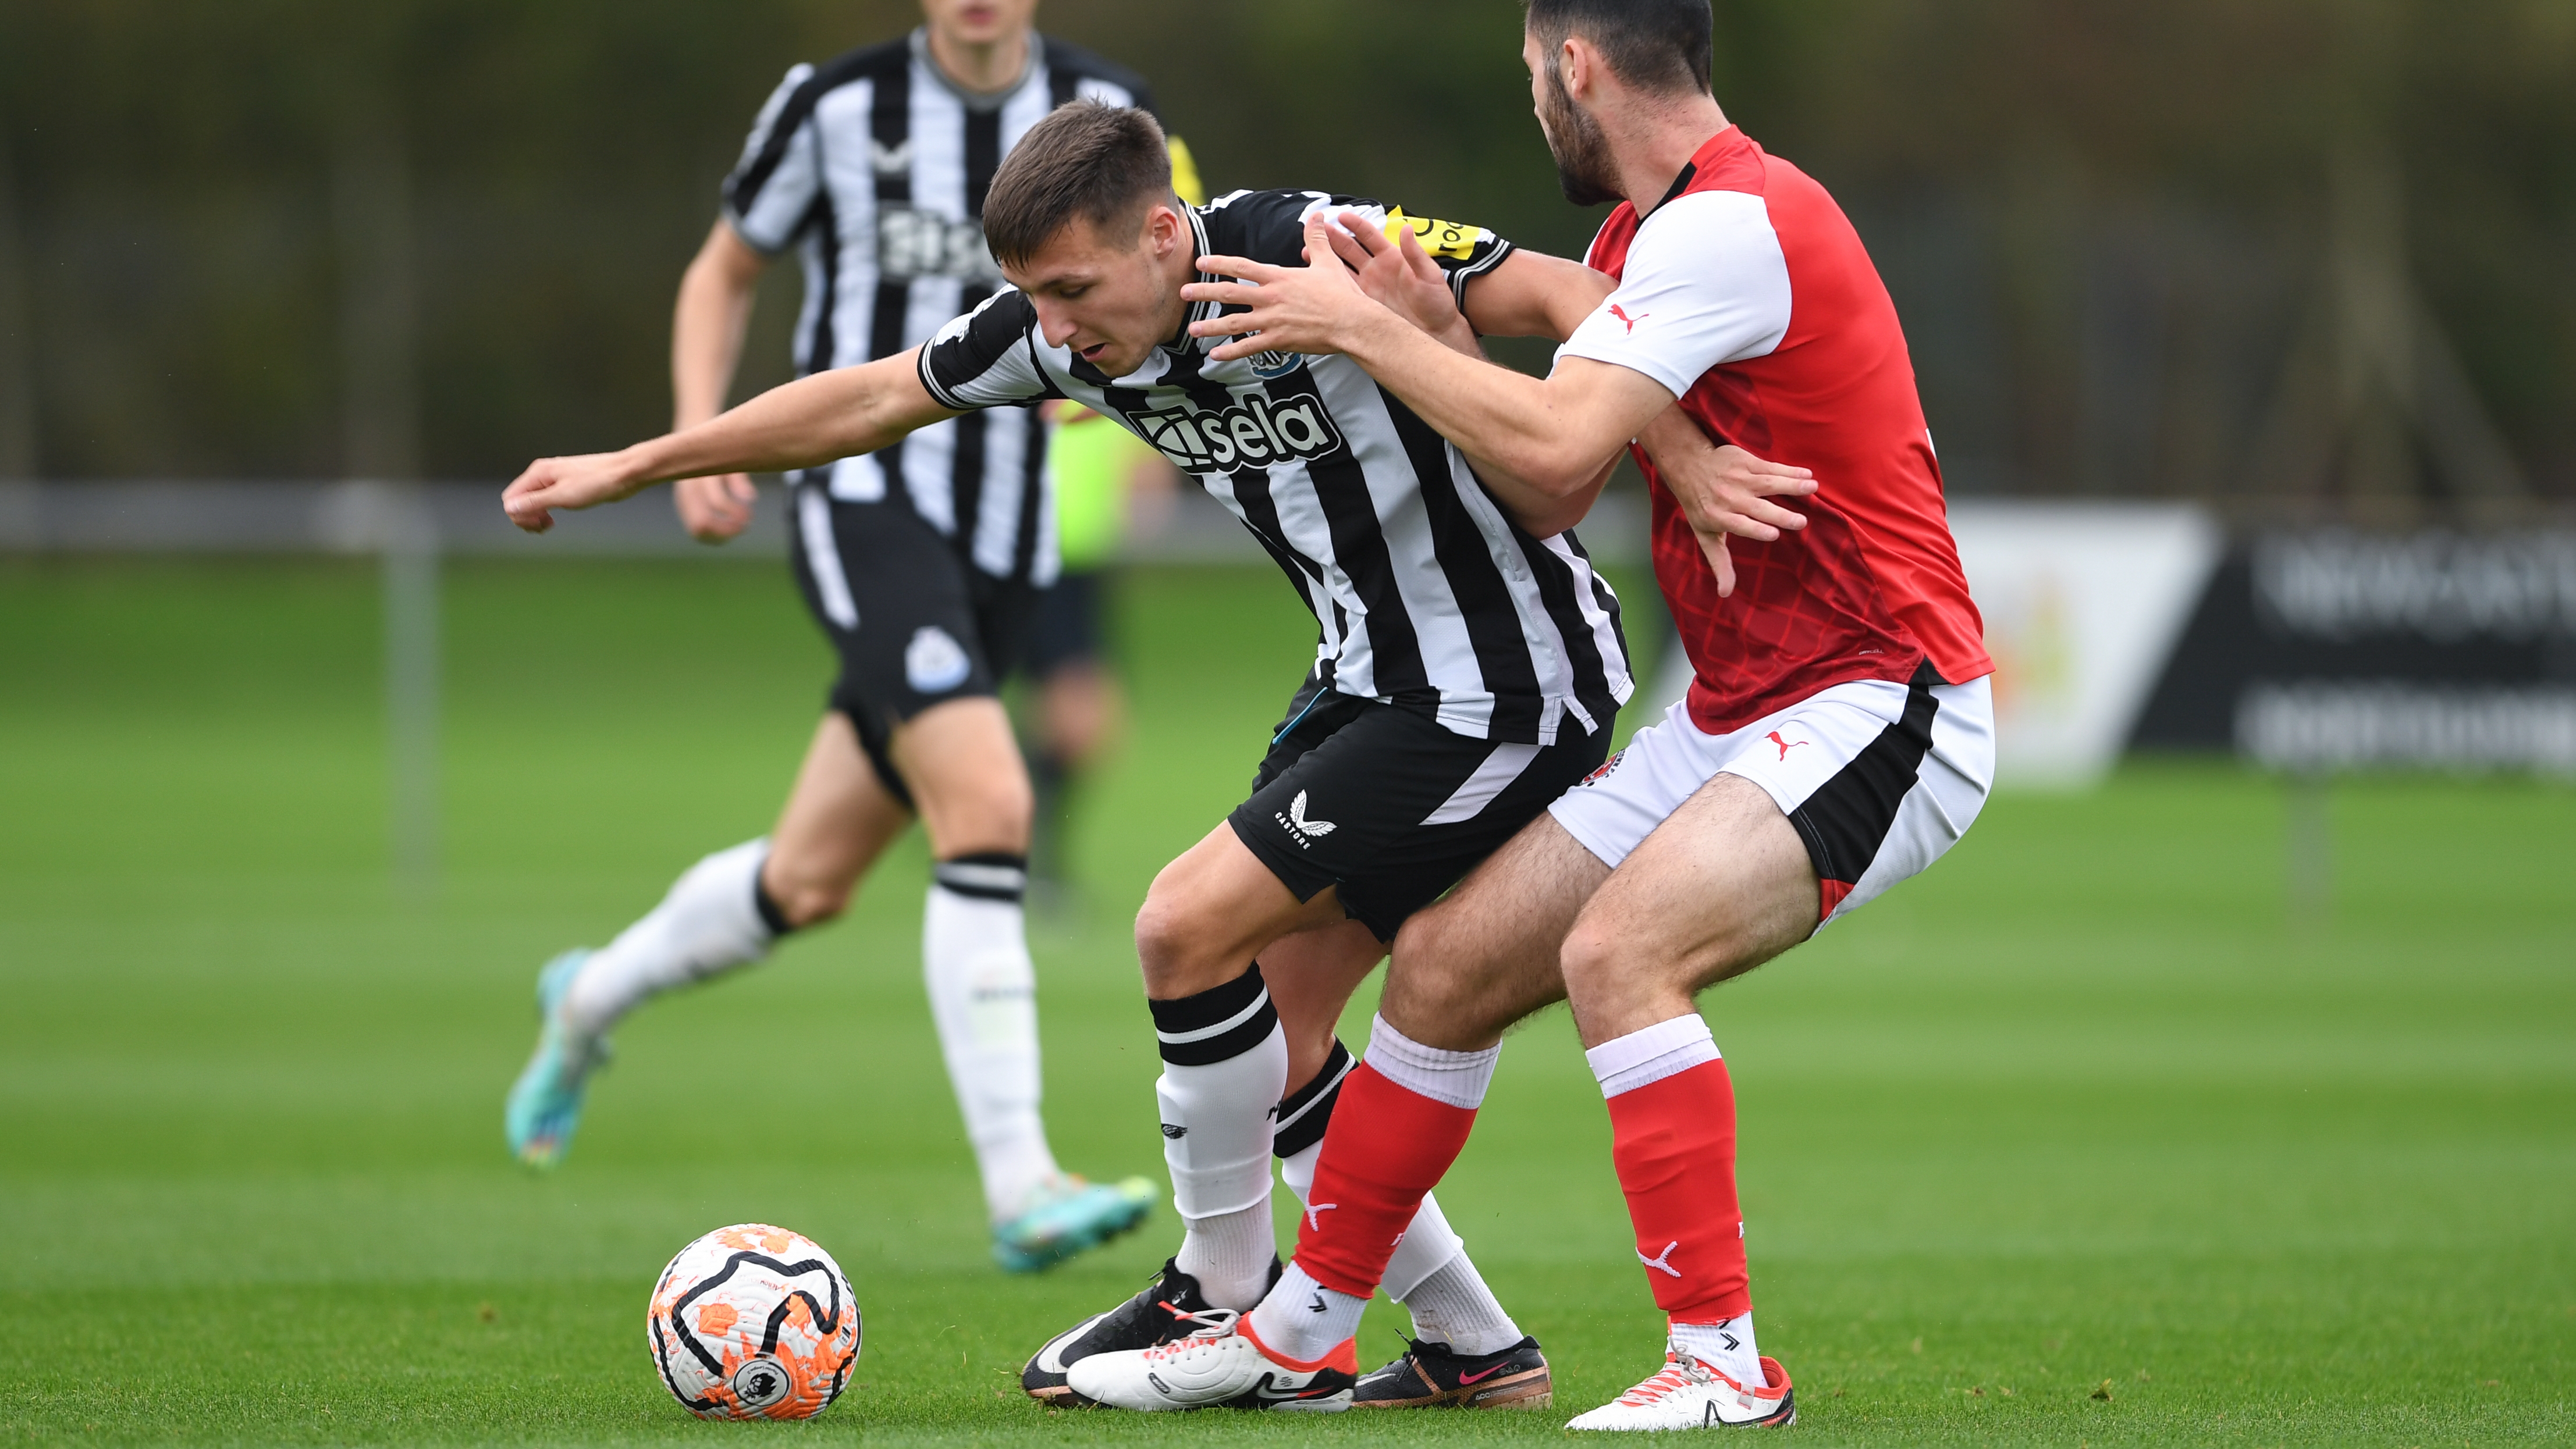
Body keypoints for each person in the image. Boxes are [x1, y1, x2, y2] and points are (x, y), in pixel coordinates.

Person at [501, 101, 1808, 1411]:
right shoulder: (1070, 341)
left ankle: (1217, 1293)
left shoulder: (1314, 244)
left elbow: (1576, 288)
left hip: (1501, 688)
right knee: (1279, 1033)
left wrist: (1680, 452)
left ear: (1164, 236)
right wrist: (640, 461)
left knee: (1182, 926)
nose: (1054, 327)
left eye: (1072, 287)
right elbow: (868, 396)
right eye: (1030, 297)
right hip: (1368, 681)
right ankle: (1471, 1345)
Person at [1056, 0, 1994, 1429]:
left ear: (1575, 65)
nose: (1530, 108)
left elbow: (1556, 442)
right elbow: (1554, 488)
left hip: (1885, 692)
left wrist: (1363, 329)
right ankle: (1301, 1330)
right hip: (1734, 706)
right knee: (1437, 962)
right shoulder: (1638, 244)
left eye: (1528, 77)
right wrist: (1433, 333)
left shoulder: (1726, 225)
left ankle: (1721, 1361)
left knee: (1621, 948)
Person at [502, 0, 1177, 1275]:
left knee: (806, 883)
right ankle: (1021, 1179)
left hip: (1011, 533)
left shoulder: (1103, 112)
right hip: (864, 503)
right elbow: (723, 270)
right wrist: (690, 436)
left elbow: (1168, 273)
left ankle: (587, 996)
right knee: (988, 801)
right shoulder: (832, 105)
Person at [1018, 401, 1177, 897]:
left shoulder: (1110, 380)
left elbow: (1147, 467)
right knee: (1083, 722)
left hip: (1081, 570)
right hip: (1032, 565)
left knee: (1076, 726)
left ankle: (981, 821)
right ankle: (998, 833)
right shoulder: (1013, 375)